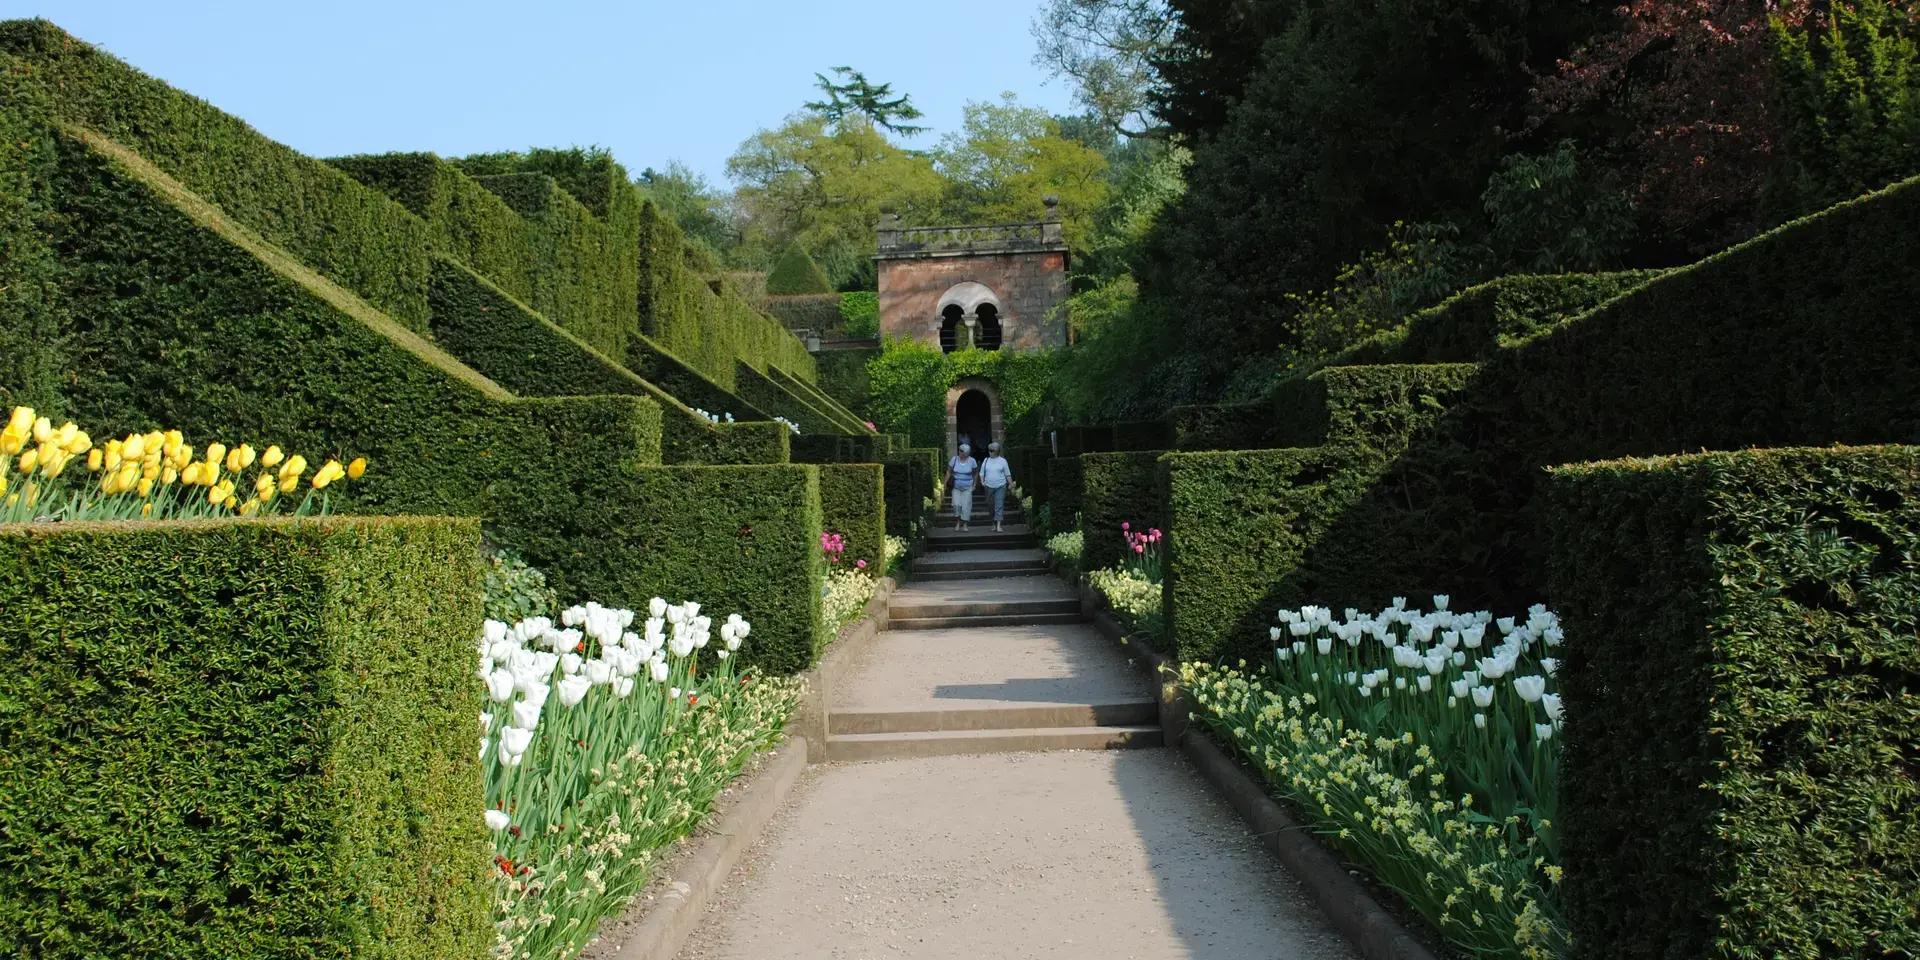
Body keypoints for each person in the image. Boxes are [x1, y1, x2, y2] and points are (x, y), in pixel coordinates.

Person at [980, 441, 1013, 532]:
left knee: (999, 505)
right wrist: (982, 482)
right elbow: (981, 473)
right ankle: (994, 523)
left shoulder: (1003, 461)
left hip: (1000, 486)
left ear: (997, 451)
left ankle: (998, 525)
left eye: (991, 450)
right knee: (990, 506)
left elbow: (1008, 475)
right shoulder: (986, 460)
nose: (989, 452)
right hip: (988, 486)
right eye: (989, 450)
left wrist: (1011, 485)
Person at [944, 443, 978, 531]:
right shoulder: (954, 459)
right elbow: (949, 471)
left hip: (967, 487)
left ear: (966, 453)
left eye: (962, 452)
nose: (960, 453)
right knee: (956, 505)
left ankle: (965, 525)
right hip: (956, 487)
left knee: (966, 506)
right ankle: (958, 523)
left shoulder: (972, 461)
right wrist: (945, 483)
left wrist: (974, 484)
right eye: (960, 451)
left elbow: (975, 473)